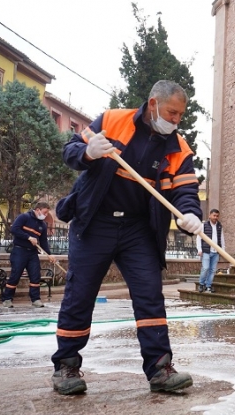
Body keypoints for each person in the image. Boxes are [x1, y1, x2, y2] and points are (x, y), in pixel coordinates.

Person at [51, 80, 203, 396]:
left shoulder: (179, 148)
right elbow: (71, 150)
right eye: (172, 112)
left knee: (150, 295)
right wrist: (89, 152)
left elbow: (186, 190)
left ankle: (160, 369)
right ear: (153, 104)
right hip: (95, 221)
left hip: (139, 229)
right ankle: (66, 366)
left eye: (180, 115)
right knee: (80, 294)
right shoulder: (111, 121)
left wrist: (190, 214)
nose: (176, 120)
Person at [1, 202, 57, 308]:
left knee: (35, 276)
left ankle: (35, 299)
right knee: (15, 275)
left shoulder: (43, 226)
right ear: (37, 210)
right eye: (44, 212)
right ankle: (7, 299)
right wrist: (28, 237)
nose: (45, 215)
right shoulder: (24, 217)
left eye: (47, 213)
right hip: (19, 251)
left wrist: (49, 254)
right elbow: (14, 229)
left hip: (32, 253)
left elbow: (44, 242)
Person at [197, 209, 225, 293]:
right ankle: (201, 284)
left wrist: (222, 249)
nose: (215, 217)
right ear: (210, 216)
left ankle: (208, 285)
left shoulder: (219, 226)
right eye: (214, 215)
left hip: (216, 251)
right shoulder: (204, 225)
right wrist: (199, 249)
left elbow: (222, 238)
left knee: (212, 270)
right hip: (206, 250)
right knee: (205, 268)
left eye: (217, 216)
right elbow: (199, 238)